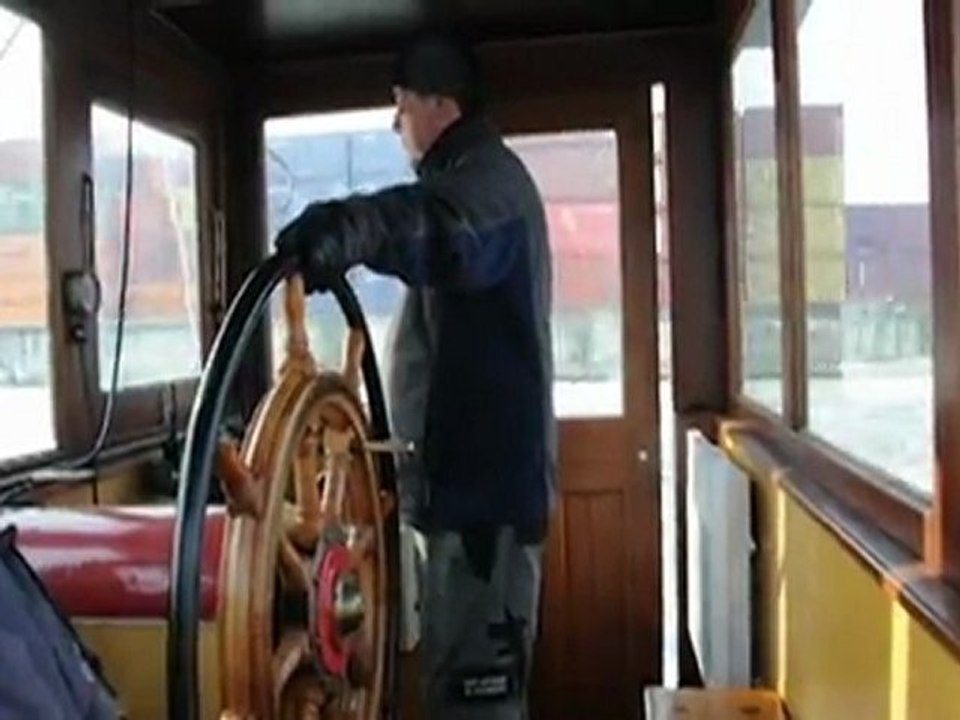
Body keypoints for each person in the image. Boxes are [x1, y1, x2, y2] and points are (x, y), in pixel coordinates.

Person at [274, 33, 556, 720]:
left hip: (483, 513)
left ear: (438, 104)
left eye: (399, 107)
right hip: (466, 501)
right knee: (456, 695)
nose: (395, 123)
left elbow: (439, 230)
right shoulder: (478, 180)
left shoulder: (487, 189)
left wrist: (348, 230)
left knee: (474, 707)